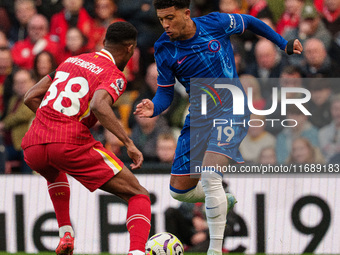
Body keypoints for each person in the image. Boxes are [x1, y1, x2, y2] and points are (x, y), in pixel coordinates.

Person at [134, 1, 303, 254]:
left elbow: (251, 22)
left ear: (186, 13)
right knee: (179, 192)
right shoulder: (164, 48)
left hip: (231, 108)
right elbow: (165, 95)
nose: (165, 25)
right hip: (199, 116)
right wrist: (154, 108)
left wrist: (283, 43)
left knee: (211, 176)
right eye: (161, 19)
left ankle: (214, 250)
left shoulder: (215, 23)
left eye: (170, 17)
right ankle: (224, 200)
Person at [21, 22, 151, 255]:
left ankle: (65, 234)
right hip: (68, 141)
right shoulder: (114, 74)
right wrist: (128, 142)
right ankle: (137, 252)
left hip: (33, 144)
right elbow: (99, 105)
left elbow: (30, 97)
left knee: (54, 170)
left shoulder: (71, 60)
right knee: (138, 194)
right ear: (130, 49)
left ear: (103, 42)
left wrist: (51, 123)